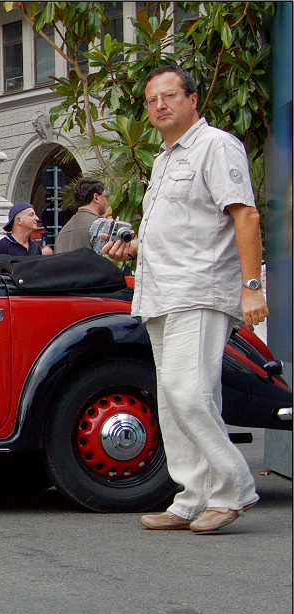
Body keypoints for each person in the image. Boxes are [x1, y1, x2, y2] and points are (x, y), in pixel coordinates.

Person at [103, 65, 266, 533]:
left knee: (188, 393)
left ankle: (233, 487)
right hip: (161, 294)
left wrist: (252, 287)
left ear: (193, 100)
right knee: (176, 401)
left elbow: (246, 215)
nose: (159, 106)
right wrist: (132, 247)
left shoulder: (215, 145)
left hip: (199, 289)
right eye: (152, 100)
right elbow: (180, 227)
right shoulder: (164, 159)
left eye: (170, 96)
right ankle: (193, 495)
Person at [54, 177, 108, 254]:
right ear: (96, 197)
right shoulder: (101, 224)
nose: (107, 201)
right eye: (105, 197)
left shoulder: (63, 231)